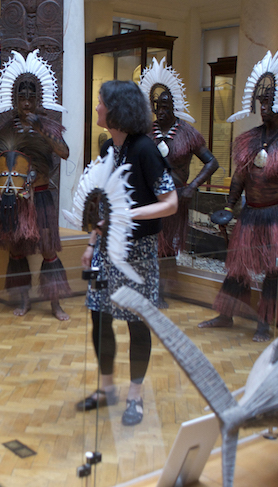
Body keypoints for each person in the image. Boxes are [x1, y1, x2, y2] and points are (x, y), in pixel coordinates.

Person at [76, 80, 178, 426]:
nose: (97, 108)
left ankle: (135, 396)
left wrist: (128, 214)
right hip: (106, 249)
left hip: (139, 252)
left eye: (101, 102)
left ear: (117, 109)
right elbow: (104, 205)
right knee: (99, 318)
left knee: (136, 323)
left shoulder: (145, 149)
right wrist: (91, 244)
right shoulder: (109, 149)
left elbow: (170, 202)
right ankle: (107, 389)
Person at [198, 49, 278, 342]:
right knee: (237, 266)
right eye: (260, 101)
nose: (263, 107)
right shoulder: (250, 138)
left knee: (274, 271)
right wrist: (228, 206)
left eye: (268, 102)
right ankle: (226, 314)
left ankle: (265, 322)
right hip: (251, 213)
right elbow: (240, 175)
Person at [0, 50, 72, 321]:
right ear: (15, 98)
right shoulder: (4, 129)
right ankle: (22, 299)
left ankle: (55, 303)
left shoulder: (49, 126)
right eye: (22, 96)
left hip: (41, 196)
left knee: (48, 249)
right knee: (17, 249)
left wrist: (41, 127)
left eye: (32, 96)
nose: (27, 101)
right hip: (14, 199)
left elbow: (64, 153)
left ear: (38, 97)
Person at [140, 57, 219, 298]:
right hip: (149, 199)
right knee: (148, 244)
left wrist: (193, 186)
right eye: (158, 106)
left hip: (175, 199)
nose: (161, 112)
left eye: (166, 107)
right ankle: (148, 288)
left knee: (166, 247)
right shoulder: (146, 131)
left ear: (175, 107)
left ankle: (163, 290)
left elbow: (212, 162)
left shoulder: (188, 133)